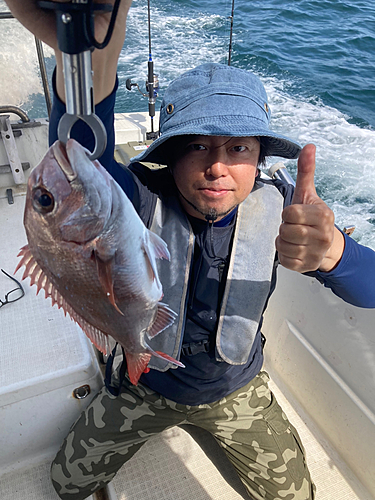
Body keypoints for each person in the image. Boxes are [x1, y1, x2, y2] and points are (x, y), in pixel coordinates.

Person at [5, 2, 375, 500]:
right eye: (197, 146)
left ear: (260, 156)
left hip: (235, 388)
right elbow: (77, 147)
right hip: (147, 382)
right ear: (170, 155)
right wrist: (91, 47)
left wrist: (333, 253)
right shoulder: (135, 198)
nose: (218, 166)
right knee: (66, 483)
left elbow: (370, 290)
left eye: (239, 148)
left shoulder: (285, 210)